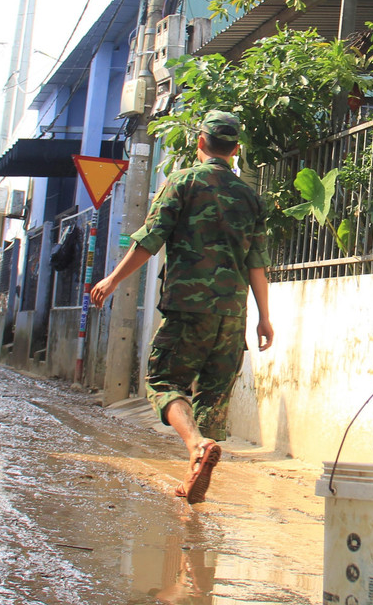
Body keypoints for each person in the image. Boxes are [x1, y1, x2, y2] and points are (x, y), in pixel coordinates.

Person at [91, 110, 274, 504]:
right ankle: (196, 473)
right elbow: (256, 262)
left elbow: (150, 239)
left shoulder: (184, 182)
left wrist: (113, 279)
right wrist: (264, 317)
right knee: (211, 400)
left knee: (163, 383)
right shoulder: (250, 197)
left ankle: (194, 446)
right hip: (232, 314)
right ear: (236, 149)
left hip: (188, 307)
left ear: (201, 144)